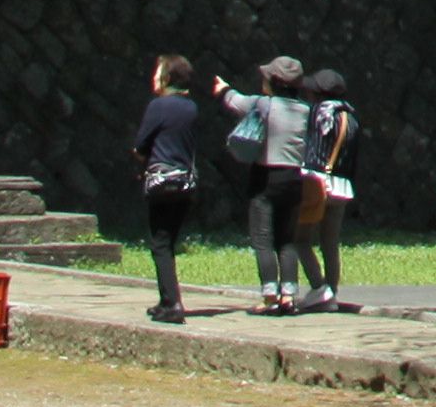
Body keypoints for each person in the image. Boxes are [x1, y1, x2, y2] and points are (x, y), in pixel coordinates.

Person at [208, 53, 314, 315]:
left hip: (266, 178)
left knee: (263, 239)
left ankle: (269, 297)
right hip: (294, 179)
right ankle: (289, 296)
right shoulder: (306, 111)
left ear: (273, 82)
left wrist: (223, 89)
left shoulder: (263, 104)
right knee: (286, 240)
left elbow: (234, 101)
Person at [132, 55, 204, 325]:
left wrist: (142, 157)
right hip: (185, 182)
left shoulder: (158, 106)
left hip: (161, 182)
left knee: (159, 243)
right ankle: (166, 299)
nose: (154, 78)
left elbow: (140, 146)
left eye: (158, 73)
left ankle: (172, 303)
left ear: (168, 78)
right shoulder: (191, 108)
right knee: (169, 240)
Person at [291, 67, 359, 313]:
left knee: (300, 239)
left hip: (316, 183)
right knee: (330, 243)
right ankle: (332, 294)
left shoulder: (317, 113)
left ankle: (320, 288)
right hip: (342, 185)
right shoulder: (351, 119)